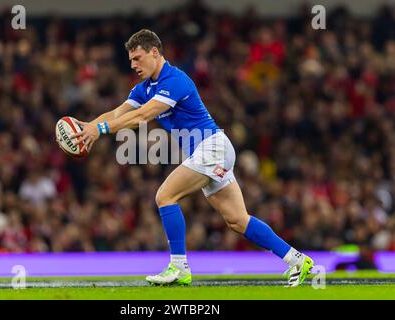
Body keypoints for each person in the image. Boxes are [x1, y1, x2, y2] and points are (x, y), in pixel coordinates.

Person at [70, 29, 314, 287]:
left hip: (211, 148)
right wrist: (88, 126)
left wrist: (101, 130)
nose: (133, 65)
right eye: (130, 60)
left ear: (155, 52)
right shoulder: (144, 89)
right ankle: (297, 260)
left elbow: (142, 116)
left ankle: (178, 266)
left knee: (165, 195)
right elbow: (118, 113)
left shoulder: (176, 80)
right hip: (210, 151)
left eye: (137, 58)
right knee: (237, 220)